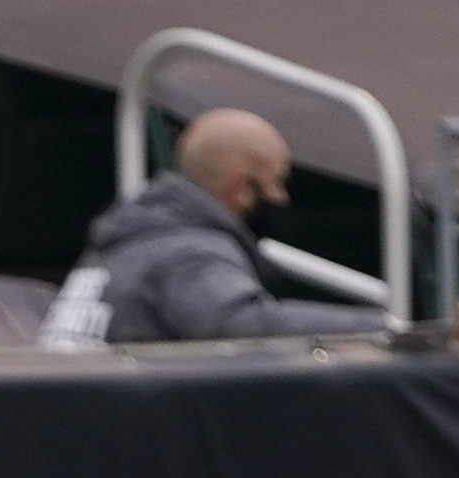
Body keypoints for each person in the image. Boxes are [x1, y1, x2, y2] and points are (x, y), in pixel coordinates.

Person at [41, 108, 391, 348]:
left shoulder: (127, 239)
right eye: (276, 183)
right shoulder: (189, 252)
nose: (281, 198)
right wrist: (385, 328)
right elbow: (245, 326)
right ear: (241, 187)